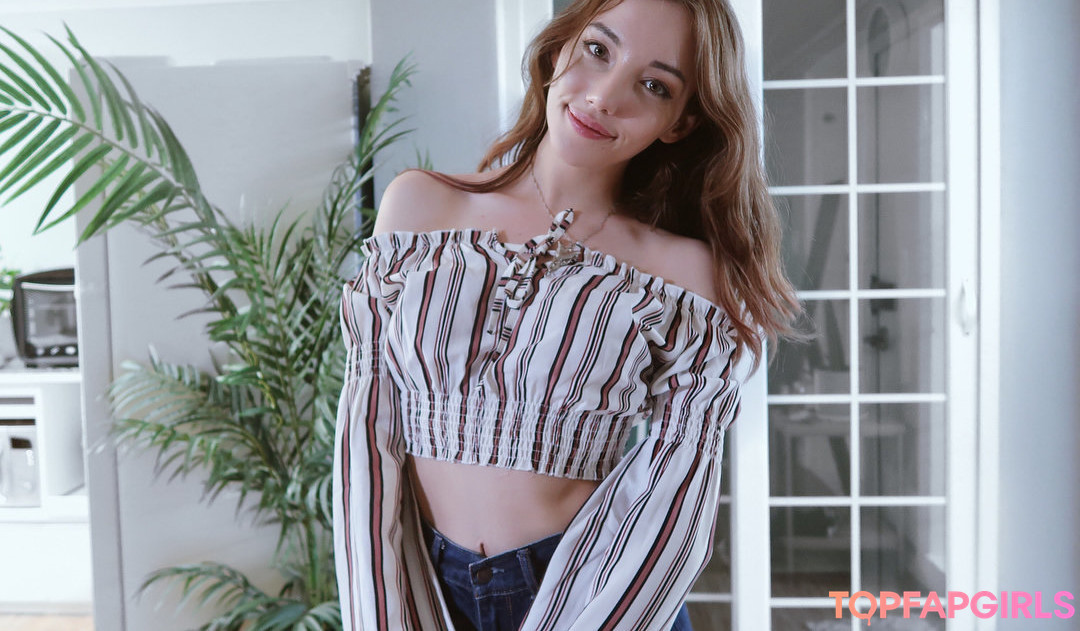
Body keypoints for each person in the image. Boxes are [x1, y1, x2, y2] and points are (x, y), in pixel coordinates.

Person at [333, 0, 801, 628]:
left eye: (654, 85)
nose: (605, 97)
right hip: (431, 585)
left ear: (680, 122)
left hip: (598, 598)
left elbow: (676, 495)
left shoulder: (681, 274)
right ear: (558, 51)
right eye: (598, 50)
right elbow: (366, 431)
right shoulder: (418, 209)